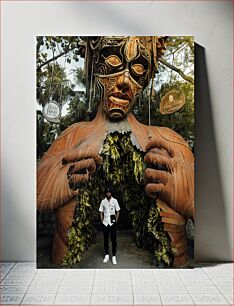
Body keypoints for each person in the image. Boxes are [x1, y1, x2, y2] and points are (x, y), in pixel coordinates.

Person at [99, 188, 120, 265]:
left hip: (112, 223)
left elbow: (118, 210)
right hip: (105, 223)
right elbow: (100, 211)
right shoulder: (103, 201)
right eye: (107, 193)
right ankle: (107, 255)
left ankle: (114, 256)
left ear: (111, 193)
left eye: (109, 192)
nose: (108, 194)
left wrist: (116, 221)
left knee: (113, 239)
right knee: (105, 240)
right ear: (106, 193)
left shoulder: (115, 201)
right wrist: (102, 221)